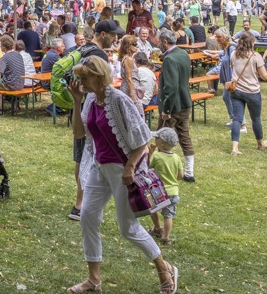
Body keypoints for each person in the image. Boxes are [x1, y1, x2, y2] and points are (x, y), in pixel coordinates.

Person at [66, 55, 177, 294]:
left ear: (97, 76)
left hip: (123, 170)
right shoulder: (89, 101)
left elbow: (143, 137)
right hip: (99, 167)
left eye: (84, 78)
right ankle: (94, 280)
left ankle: (164, 268)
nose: (81, 82)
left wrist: (130, 168)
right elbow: (78, 133)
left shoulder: (119, 100)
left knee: (128, 228)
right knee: (87, 217)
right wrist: (76, 102)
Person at [66, 19, 119, 222]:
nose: (115, 39)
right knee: (85, 155)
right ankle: (80, 205)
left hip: (82, 104)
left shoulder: (84, 48)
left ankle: (82, 202)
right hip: (89, 107)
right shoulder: (96, 54)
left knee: (82, 154)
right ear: (103, 34)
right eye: (113, 35)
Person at [228, 33, 267, 156]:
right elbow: (265, 76)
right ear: (251, 43)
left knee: (237, 119)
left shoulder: (233, 54)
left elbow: (233, 69)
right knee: (255, 119)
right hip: (252, 92)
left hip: (236, 91)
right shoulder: (256, 56)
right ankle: (260, 143)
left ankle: (235, 148)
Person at [156, 29, 196, 183]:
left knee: (161, 139)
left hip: (172, 107)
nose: (159, 44)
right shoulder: (183, 54)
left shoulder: (169, 59)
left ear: (165, 42)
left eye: (160, 41)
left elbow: (170, 88)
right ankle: (189, 172)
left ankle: (162, 172)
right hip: (185, 102)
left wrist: (166, 110)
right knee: (184, 136)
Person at [148, 127, 184, 246]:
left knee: (153, 209)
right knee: (168, 216)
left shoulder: (157, 156)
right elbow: (180, 176)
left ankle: (158, 228)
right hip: (173, 192)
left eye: (156, 138)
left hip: (158, 191)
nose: (154, 139)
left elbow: (147, 166)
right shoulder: (177, 158)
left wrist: (150, 153)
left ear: (162, 143)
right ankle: (166, 237)